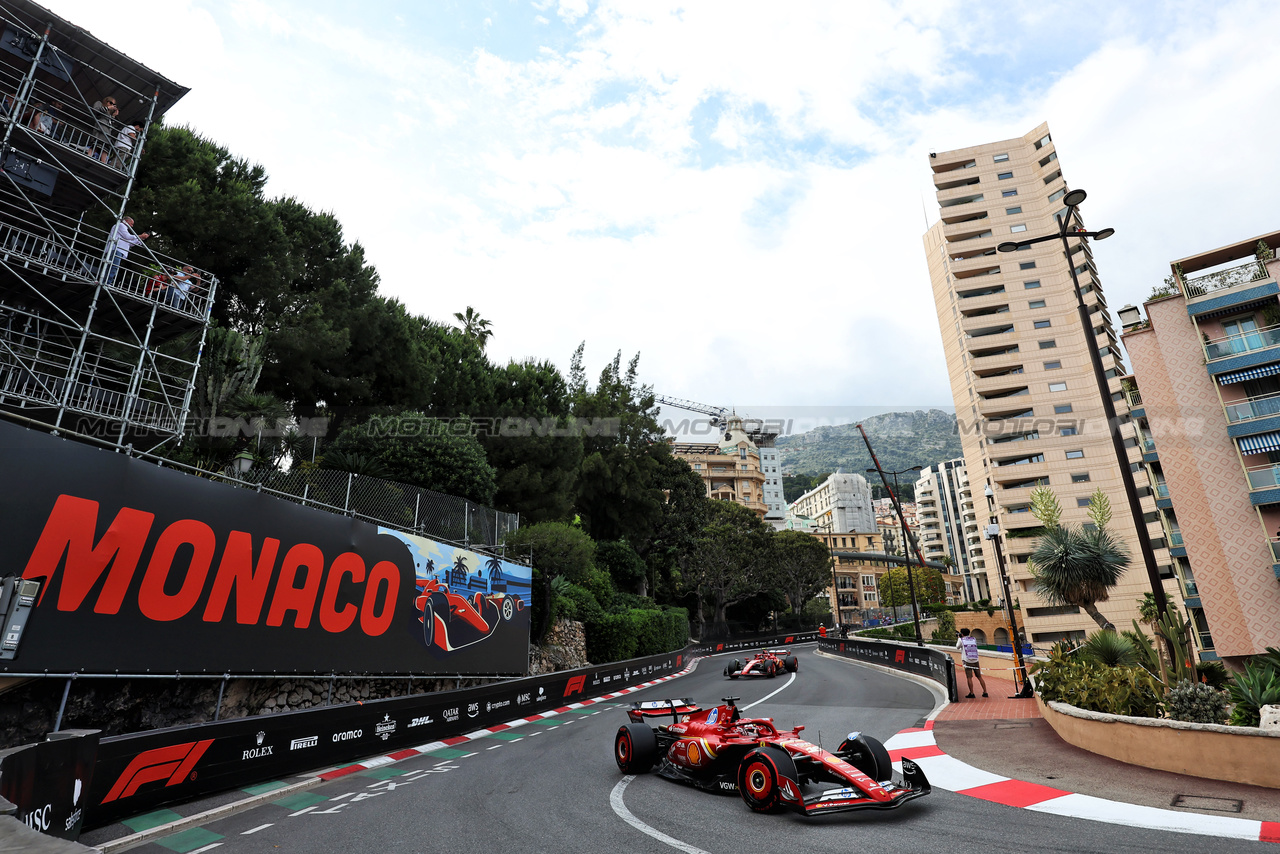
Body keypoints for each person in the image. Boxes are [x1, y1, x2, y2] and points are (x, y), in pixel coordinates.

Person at [105, 216, 148, 285]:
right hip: (116, 249)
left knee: (112, 267)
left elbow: (130, 244)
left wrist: (141, 238)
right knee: (113, 267)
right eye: (131, 224)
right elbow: (127, 237)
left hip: (118, 250)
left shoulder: (124, 229)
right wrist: (140, 236)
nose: (132, 226)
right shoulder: (121, 225)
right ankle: (107, 282)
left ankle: (106, 281)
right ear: (127, 221)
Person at [956, 627, 988, 699]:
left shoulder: (961, 640)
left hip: (967, 660)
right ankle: (985, 691)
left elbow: (957, 647)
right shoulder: (973, 639)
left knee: (969, 677)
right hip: (975, 660)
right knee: (979, 676)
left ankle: (972, 693)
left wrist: (959, 638)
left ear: (962, 633)